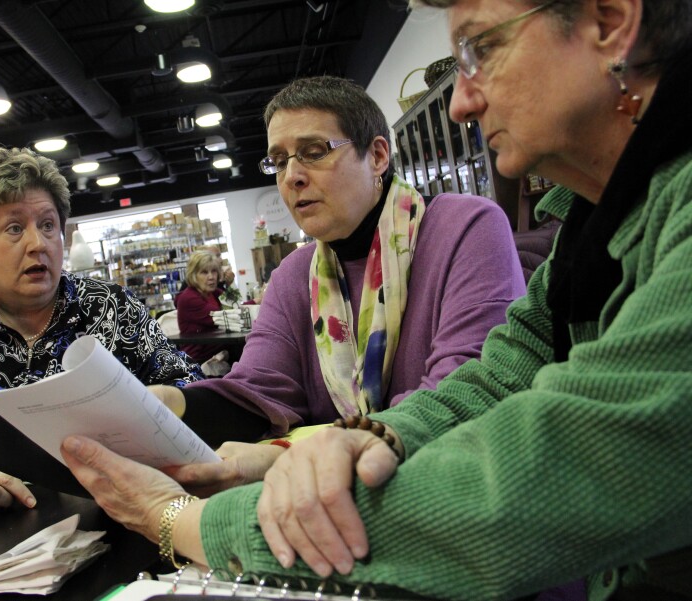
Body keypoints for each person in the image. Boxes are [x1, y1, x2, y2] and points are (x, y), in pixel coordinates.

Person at [61, 1, 692, 599]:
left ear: (611, 24)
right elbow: (495, 378)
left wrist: (187, 520)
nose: (461, 104)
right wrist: (369, 436)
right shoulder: (589, 226)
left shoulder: (469, 226)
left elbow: (540, 471)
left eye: (484, 50)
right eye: (279, 160)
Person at [151, 75, 525, 490]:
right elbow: (258, 391)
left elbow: (465, 389)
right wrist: (173, 403)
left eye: (313, 152)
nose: (291, 176)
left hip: (458, 489)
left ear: (378, 156)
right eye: (278, 161)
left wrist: (286, 455)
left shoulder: (465, 227)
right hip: (337, 504)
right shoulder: (295, 275)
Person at [0, 146, 203, 518]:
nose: (38, 243)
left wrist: (153, 404)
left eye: (47, 225)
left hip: (125, 511)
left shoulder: (111, 306)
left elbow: (189, 385)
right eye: (14, 228)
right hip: (0, 528)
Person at [174, 250, 230, 364]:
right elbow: (223, 316)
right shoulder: (189, 299)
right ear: (194, 276)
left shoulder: (215, 293)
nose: (211, 277)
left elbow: (235, 306)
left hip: (219, 352)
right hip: (200, 361)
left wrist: (257, 301)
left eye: (214, 271)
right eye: (204, 272)